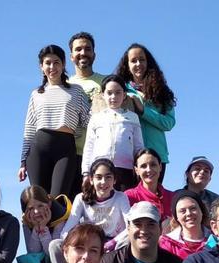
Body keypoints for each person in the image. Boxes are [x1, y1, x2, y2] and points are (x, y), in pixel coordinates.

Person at [19, 45, 91, 198]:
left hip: (65, 148)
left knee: (59, 199)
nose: (52, 67)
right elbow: (30, 128)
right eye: (48, 63)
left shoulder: (76, 91)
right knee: (39, 199)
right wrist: (23, 161)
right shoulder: (36, 94)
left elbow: (87, 121)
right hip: (39, 148)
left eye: (56, 62)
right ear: (41, 66)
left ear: (64, 64)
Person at [50, 159, 131, 263]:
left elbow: (131, 225)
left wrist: (112, 243)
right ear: (91, 180)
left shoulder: (121, 197)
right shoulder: (81, 198)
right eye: (99, 177)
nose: (103, 182)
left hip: (114, 246)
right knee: (55, 245)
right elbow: (67, 230)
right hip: (89, 245)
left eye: (108, 177)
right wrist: (74, 245)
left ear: (114, 180)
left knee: (130, 239)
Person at [115, 43, 176, 182]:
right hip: (126, 157)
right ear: (127, 65)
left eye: (142, 59)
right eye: (133, 60)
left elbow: (169, 123)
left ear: (148, 62)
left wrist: (143, 111)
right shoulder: (120, 90)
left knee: (151, 202)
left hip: (156, 155)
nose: (138, 64)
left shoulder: (161, 90)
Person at [81, 74, 144, 190]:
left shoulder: (133, 117)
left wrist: (140, 168)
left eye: (118, 92)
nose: (113, 97)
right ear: (103, 95)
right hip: (100, 171)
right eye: (109, 93)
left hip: (126, 171)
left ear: (124, 95)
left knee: (125, 204)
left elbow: (139, 147)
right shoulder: (96, 118)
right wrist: (86, 173)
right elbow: (89, 146)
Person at [67, 32, 106, 168]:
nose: (83, 53)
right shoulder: (64, 84)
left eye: (88, 49)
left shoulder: (107, 83)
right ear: (71, 56)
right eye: (78, 49)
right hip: (69, 154)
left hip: (100, 155)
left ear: (94, 55)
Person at [18, 185, 70, 263]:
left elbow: (52, 252)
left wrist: (43, 230)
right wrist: (36, 230)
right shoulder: (27, 221)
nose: (36, 211)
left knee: (52, 246)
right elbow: (33, 252)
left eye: (40, 205)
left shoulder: (60, 217)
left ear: (49, 203)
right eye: (31, 208)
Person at [124, 148, 173, 225]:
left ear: (160, 167)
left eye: (153, 165)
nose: (149, 170)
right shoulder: (129, 196)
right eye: (143, 166)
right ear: (137, 170)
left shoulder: (172, 197)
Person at [158, 190, 211, 260]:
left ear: (201, 211)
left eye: (193, 208)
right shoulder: (167, 243)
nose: (189, 213)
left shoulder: (216, 239)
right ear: (176, 217)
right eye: (183, 211)